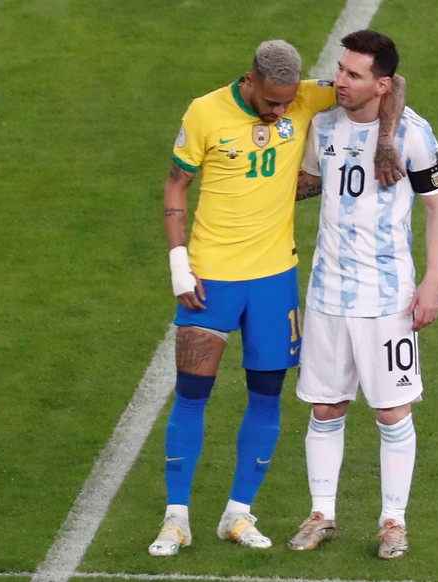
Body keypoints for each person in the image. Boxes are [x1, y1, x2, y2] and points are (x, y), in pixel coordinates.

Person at [148, 39, 406, 558]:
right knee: (192, 394)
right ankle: (176, 518)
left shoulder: (306, 98)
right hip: (211, 278)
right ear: (250, 80)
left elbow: (393, 84)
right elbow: (177, 186)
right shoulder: (204, 113)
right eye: (272, 102)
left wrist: (385, 141)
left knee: (266, 397)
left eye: (289, 102)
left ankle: (238, 514)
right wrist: (179, 264)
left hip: (274, 281)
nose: (282, 111)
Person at [287, 30, 438, 560]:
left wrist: (432, 281)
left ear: (382, 84)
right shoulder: (324, 125)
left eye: (354, 75)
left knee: (391, 412)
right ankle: (321, 513)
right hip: (328, 293)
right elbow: (310, 183)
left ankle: (392, 523)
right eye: (341, 70)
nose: (341, 81)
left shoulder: (414, 135)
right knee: (326, 408)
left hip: (386, 298)